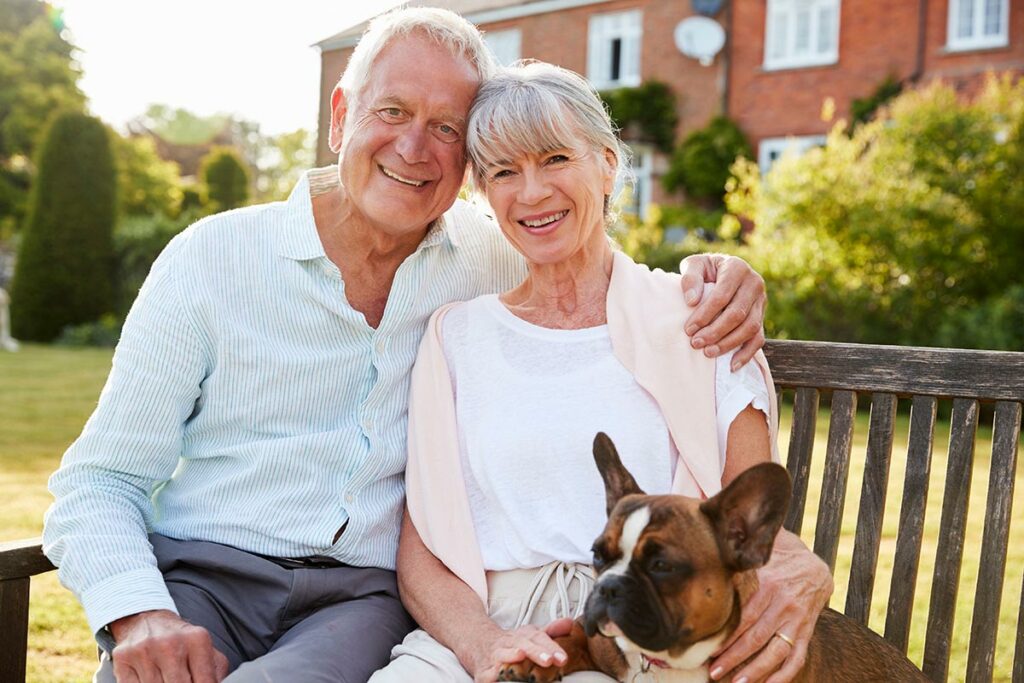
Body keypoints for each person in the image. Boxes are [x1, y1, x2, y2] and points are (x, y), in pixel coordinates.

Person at [42, 8, 771, 683]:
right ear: (340, 117)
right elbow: (99, 479)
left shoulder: (489, 259)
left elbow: (584, 247)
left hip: (355, 600)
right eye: (391, 112)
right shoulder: (212, 260)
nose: (414, 148)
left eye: (448, 128)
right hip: (202, 576)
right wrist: (139, 612)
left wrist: (724, 273)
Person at [369, 62, 831, 683]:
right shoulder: (456, 336)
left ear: (609, 163)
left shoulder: (703, 318)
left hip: (656, 636)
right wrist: (485, 646)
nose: (531, 193)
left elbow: (756, 529)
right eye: (504, 172)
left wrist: (805, 568)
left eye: (556, 159)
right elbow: (422, 555)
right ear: (484, 193)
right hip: (482, 628)